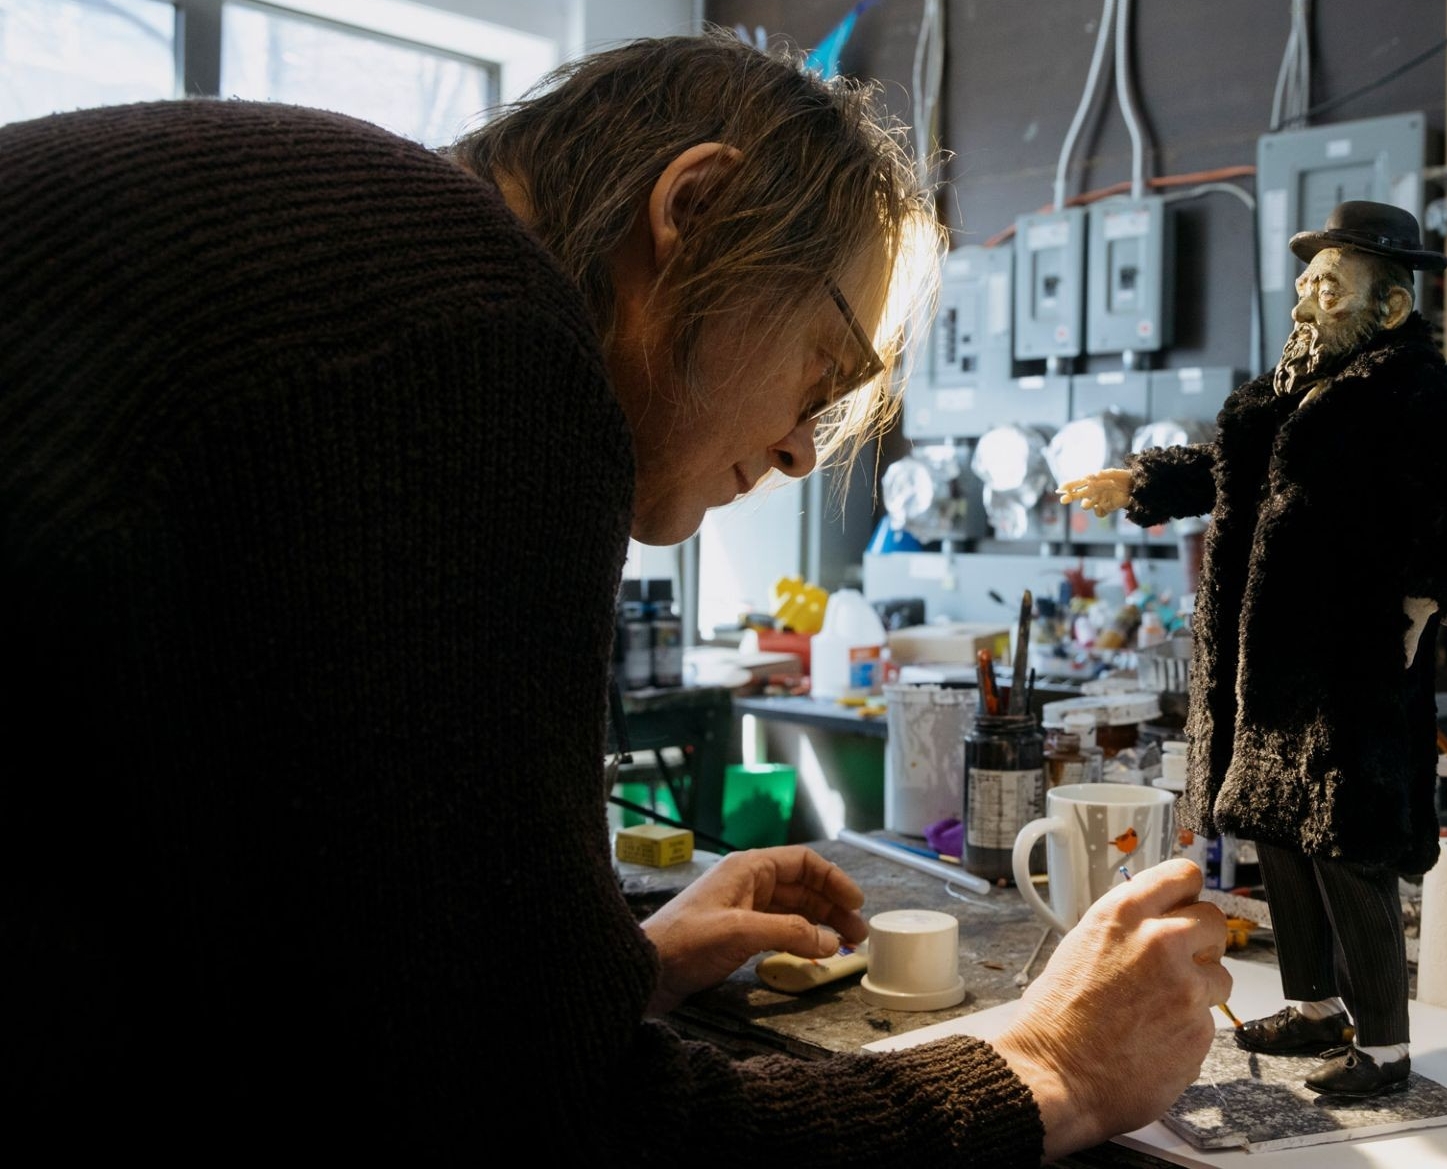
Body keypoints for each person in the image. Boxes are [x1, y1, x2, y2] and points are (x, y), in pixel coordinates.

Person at [1, 34, 1228, 1164]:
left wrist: (597, 971)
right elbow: (547, 1137)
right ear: (689, 211)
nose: (805, 449)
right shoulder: (472, 331)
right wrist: (1047, 1063)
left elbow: (307, 992)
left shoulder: (339, 251)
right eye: (824, 371)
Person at [1060, 202, 1447, 1098]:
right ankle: (1314, 1006)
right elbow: (1230, 468)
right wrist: (1140, 481)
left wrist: (1424, 596)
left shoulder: (1412, 388)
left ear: (1388, 307)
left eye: (1330, 285)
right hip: (1267, 670)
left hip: (1353, 667)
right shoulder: (1292, 387)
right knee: (1279, 832)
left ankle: (1385, 1049)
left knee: (1350, 850)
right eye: (1307, 282)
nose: (1308, 299)